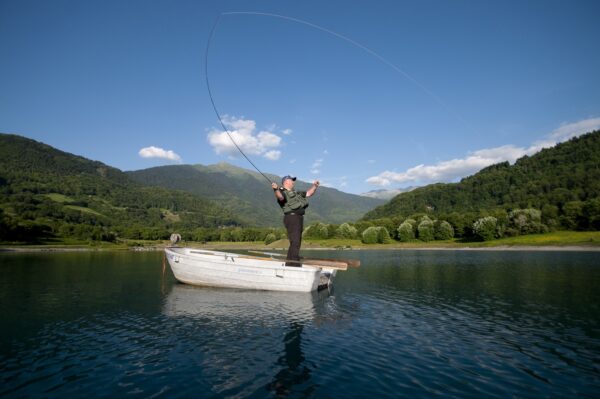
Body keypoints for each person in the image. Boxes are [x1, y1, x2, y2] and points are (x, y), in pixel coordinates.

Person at [271, 175, 319, 266]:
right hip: (292, 218)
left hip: (299, 218)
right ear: (286, 182)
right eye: (291, 180)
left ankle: (290, 264)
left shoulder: (296, 193)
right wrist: (275, 189)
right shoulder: (281, 191)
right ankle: (294, 264)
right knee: (295, 242)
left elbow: (309, 193)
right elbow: (280, 197)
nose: (293, 182)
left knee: (296, 242)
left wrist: (315, 186)